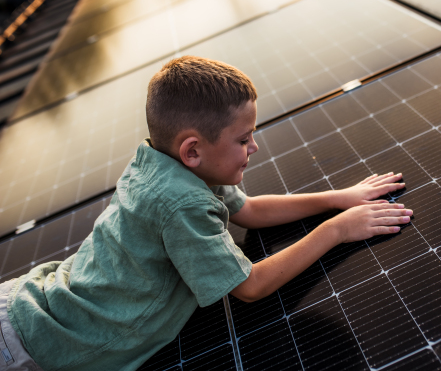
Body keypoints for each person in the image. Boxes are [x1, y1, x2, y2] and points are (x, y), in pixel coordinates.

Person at [0, 56, 413, 371]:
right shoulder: (182, 203)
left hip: (31, 304)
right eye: (244, 139)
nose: (255, 148)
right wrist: (337, 230)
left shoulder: (166, 163)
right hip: (32, 346)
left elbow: (248, 211)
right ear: (193, 150)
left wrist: (337, 198)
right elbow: (249, 286)